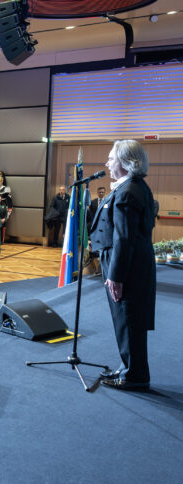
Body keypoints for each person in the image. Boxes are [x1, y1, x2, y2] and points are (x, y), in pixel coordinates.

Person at [91, 140, 156, 391]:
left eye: (111, 158)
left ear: (127, 162)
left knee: (127, 318)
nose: (107, 163)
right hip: (134, 262)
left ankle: (135, 376)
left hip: (125, 265)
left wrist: (116, 276)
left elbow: (124, 237)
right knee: (131, 319)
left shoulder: (127, 191)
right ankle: (133, 368)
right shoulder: (136, 187)